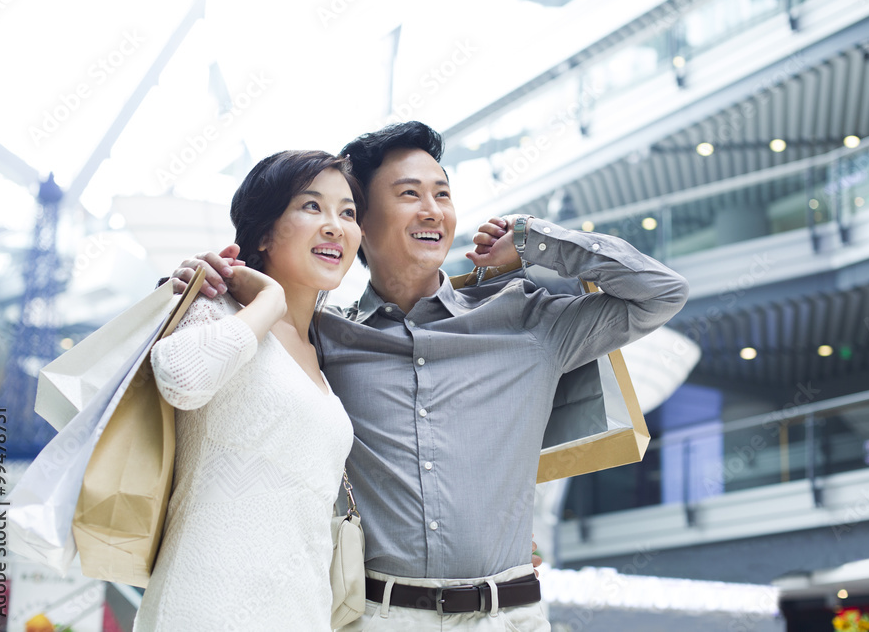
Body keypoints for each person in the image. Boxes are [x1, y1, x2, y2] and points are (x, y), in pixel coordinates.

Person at [171, 121, 689, 630]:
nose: (433, 211)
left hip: (509, 617)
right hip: (377, 616)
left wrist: (536, 241)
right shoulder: (322, 341)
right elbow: (217, 359)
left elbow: (661, 293)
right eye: (409, 194)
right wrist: (197, 283)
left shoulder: (528, 320)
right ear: (363, 224)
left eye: (442, 194)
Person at [136, 151, 364, 630]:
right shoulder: (215, 310)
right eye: (311, 206)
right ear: (263, 231)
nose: (335, 226)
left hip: (300, 612)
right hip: (204, 608)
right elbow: (182, 380)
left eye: (347, 212)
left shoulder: (324, 353)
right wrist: (270, 300)